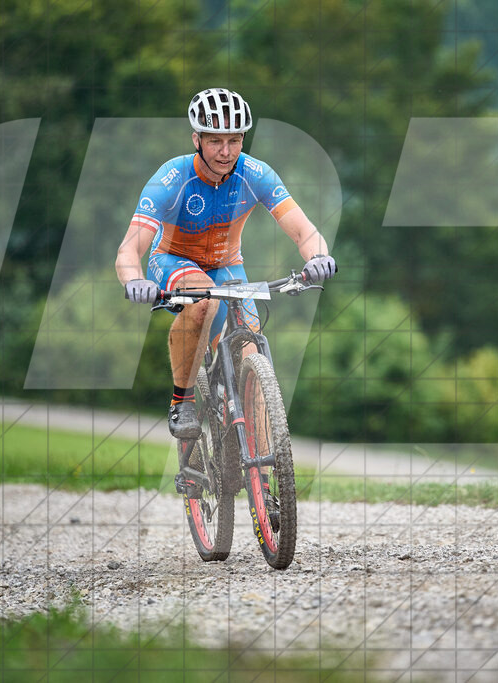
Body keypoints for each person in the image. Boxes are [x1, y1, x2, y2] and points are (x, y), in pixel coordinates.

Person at [116, 87, 337, 439]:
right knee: (202, 304)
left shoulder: (256, 174)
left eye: (234, 140)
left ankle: (264, 484)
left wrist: (318, 257)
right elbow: (129, 250)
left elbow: (303, 231)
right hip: (174, 260)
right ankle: (183, 399)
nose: (225, 151)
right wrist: (134, 279)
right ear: (196, 139)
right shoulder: (172, 179)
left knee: (253, 361)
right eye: (215, 140)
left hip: (227, 266)